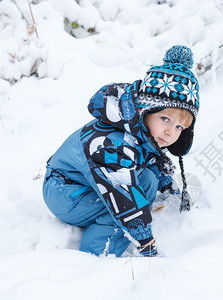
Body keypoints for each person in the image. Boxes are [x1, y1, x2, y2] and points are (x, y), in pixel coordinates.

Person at [42, 45, 200, 257]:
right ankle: (97, 256)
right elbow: (122, 196)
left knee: (148, 181)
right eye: (165, 119)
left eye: (179, 127)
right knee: (120, 208)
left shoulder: (137, 128)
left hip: (81, 183)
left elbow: (146, 158)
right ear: (146, 111)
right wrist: (145, 241)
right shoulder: (113, 144)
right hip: (65, 192)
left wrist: (167, 186)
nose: (171, 132)